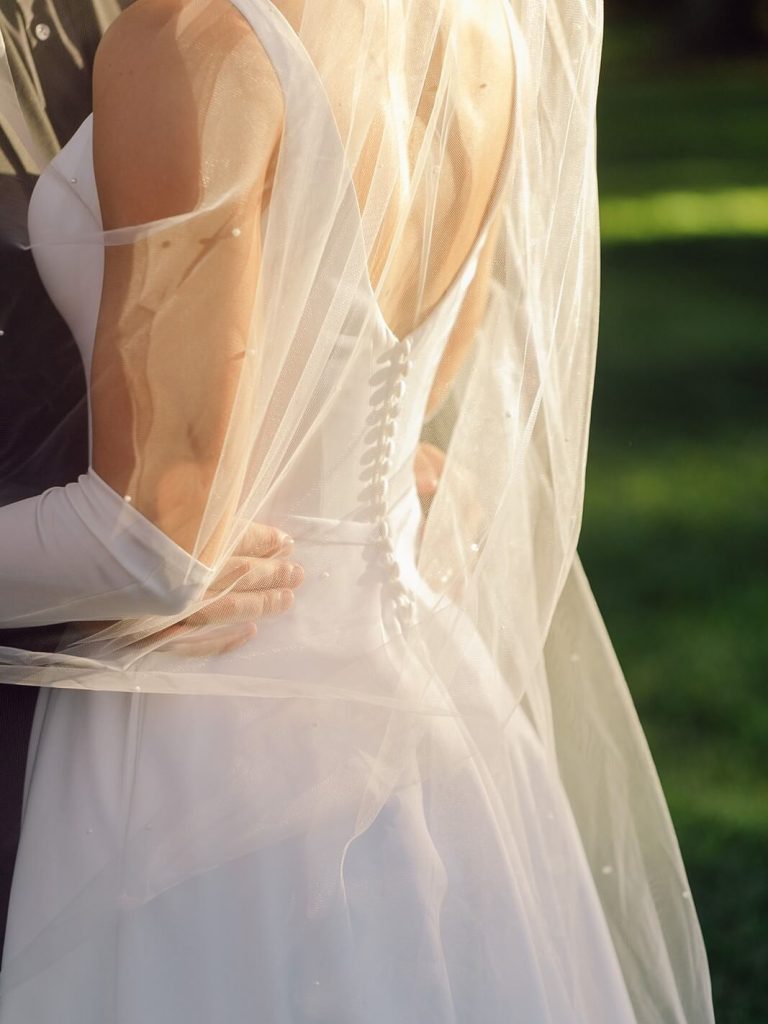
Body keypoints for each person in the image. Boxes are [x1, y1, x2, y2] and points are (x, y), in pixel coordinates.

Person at [0, 0, 715, 1021]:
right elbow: (405, 386)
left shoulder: (197, 43)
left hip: (204, 732)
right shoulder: (485, 38)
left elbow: (154, 537)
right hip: (423, 700)